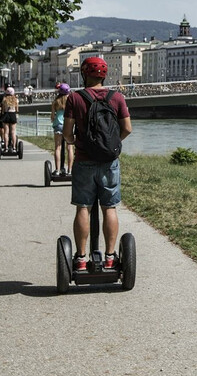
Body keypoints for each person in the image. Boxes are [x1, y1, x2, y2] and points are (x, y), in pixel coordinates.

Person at [63, 57, 132, 271]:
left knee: (83, 207)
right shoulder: (117, 97)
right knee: (108, 207)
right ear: (104, 75)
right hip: (109, 162)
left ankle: (81, 259)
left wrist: (73, 141)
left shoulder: (75, 98)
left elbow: (67, 132)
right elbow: (127, 128)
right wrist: (110, 144)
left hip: (84, 160)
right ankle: (110, 257)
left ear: (85, 74)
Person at [50, 83, 74, 175]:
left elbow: (52, 116)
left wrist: (54, 119)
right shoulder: (71, 101)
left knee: (58, 148)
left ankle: (57, 170)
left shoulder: (56, 101)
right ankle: (70, 170)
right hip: (69, 125)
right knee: (70, 148)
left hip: (58, 125)